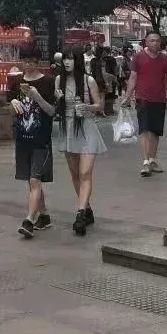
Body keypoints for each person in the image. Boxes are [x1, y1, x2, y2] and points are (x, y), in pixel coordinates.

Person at [57, 52, 106, 237]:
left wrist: (87, 107)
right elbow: (55, 108)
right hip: (68, 128)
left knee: (85, 173)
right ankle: (86, 209)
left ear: (77, 61)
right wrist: (58, 98)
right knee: (75, 174)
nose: (67, 62)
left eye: (71, 58)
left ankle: (80, 214)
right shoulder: (59, 80)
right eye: (65, 59)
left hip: (86, 128)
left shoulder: (88, 80)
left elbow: (99, 105)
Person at [9, 68, 56, 239]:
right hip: (23, 140)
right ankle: (44, 216)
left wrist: (37, 96)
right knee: (31, 182)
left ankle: (28, 221)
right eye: (26, 61)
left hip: (41, 141)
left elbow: (52, 111)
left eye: (32, 61)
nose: (28, 65)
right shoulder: (17, 81)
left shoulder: (48, 82)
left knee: (35, 180)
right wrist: (13, 102)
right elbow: (12, 111)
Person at [128, 31, 167, 178]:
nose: (155, 43)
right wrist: (127, 96)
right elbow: (133, 77)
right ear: (146, 42)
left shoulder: (165, 59)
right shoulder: (138, 57)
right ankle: (145, 162)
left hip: (159, 99)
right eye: (152, 40)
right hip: (142, 98)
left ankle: (152, 160)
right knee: (144, 129)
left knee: (156, 132)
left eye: (157, 41)